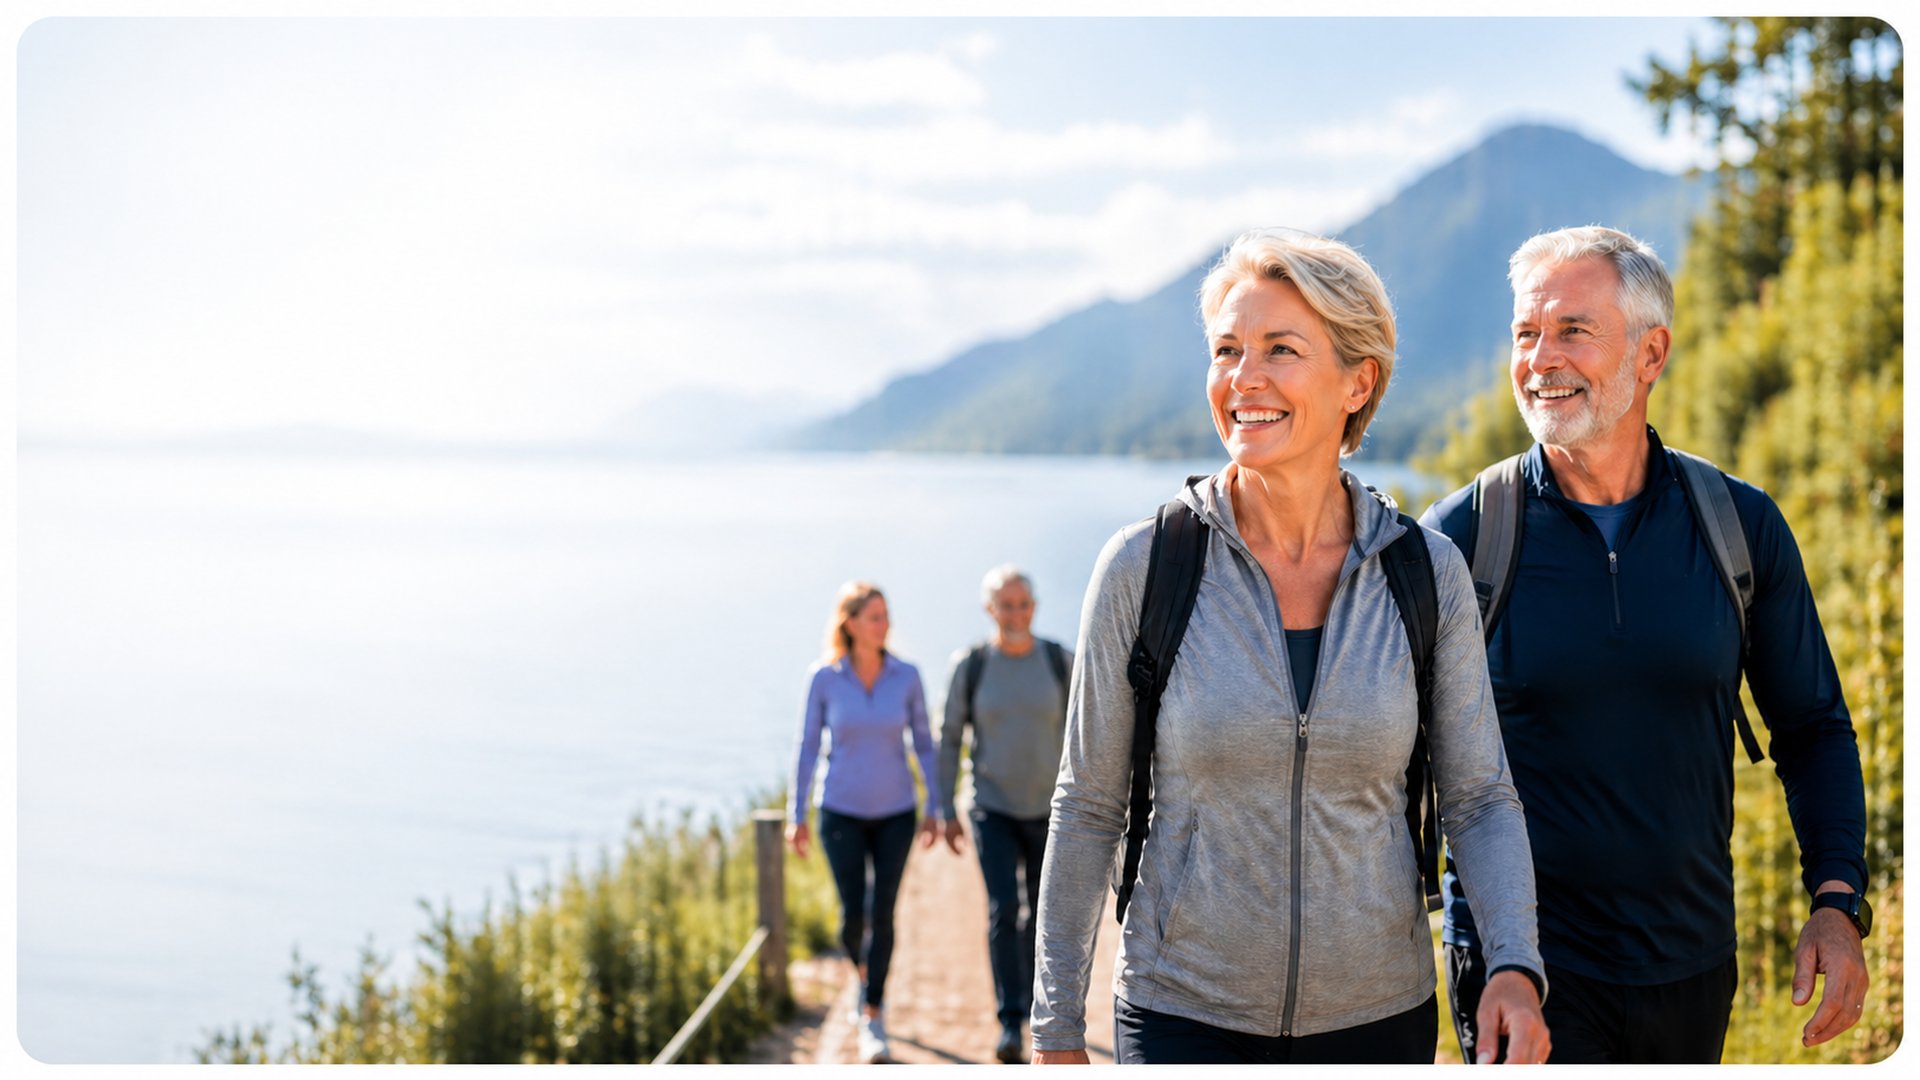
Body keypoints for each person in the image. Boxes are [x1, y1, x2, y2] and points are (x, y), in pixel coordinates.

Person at [1031, 227, 1549, 1066]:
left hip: (1380, 1020)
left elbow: (1481, 798)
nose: (1245, 379)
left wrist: (1515, 967)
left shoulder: (1426, 574)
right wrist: (1055, 1029)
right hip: (1180, 1017)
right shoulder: (1146, 567)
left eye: (1280, 349)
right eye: (1228, 349)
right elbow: (1086, 805)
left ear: (1358, 381)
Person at [1420, 226, 1871, 1064]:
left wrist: (1837, 901)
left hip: (1695, 971)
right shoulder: (1460, 540)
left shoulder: (1738, 527)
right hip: (1524, 978)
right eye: (1526, 333)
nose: (1540, 358)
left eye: (1572, 331)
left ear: (1651, 350)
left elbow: (1812, 728)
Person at [787, 581, 944, 1065]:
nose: (884, 624)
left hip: (897, 811)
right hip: (840, 811)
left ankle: (873, 1012)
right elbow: (808, 746)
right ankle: (862, 975)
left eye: (885, 615)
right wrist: (797, 816)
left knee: (884, 912)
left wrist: (936, 804)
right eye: (874, 616)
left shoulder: (907, 675)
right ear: (850, 623)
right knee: (852, 916)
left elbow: (923, 742)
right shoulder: (825, 678)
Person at [936, 565, 1074, 1064]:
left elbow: (1091, 734)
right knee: (1003, 911)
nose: (1015, 613)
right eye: (1005, 605)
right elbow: (949, 737)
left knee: (1043, 916)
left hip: (1052, 810)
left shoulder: (1061, 662)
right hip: (990, 808)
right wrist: (941, 806)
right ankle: (1010, 1020)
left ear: (1033, 607)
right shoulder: (971, 666)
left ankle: (1045, 1017)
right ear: (989, 610)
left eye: (1023, 604)